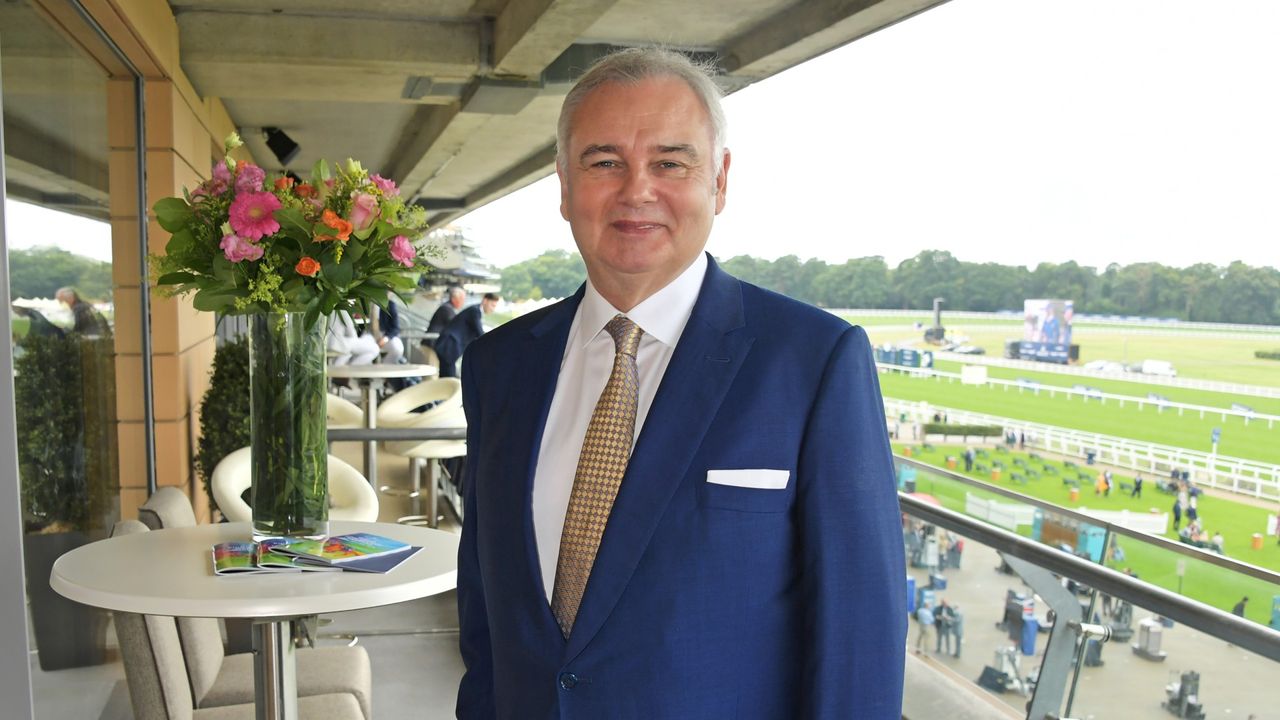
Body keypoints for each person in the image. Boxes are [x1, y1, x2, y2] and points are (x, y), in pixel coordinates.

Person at [455, 48, 906, 719]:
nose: (637, 190)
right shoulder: (499, 365)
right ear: (563, 185)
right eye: (604, 161)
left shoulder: (814, 363)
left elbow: (858, 642)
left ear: (719, 181)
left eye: (670, 162)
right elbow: (486, 618)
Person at [434, 292, 499, 378]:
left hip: (448, 347)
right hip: (448, 347)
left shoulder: (474, 310)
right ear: (485, 301)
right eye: (492, 305)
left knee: (445, 379)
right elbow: (480, 334)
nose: (493, 309)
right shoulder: (475, 311)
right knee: (449, 380)